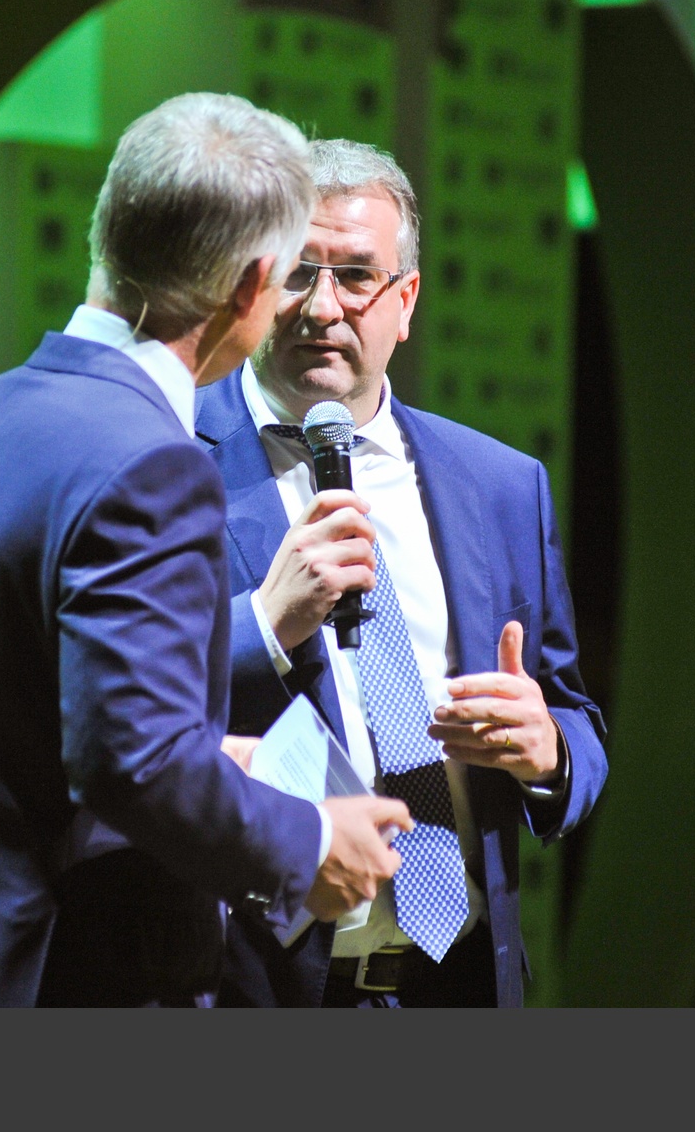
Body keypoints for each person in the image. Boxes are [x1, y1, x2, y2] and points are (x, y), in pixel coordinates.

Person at [0, 95, 411, 1008]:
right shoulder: (154, 462)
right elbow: (135, 766)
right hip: (64, 989)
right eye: (288, 280)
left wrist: (196, 762)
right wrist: (309, 840)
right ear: (252, 287)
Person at [196, 138, 607, 1007]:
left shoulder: (500, 486)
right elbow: (110, 710)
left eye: (356, 276)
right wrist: (263, 624)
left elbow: (573, 716)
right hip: (252, 987)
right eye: (297, 273)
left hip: (457, 985)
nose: (323, 307)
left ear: (406, 300)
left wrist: (546, 752)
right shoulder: (167, 465)